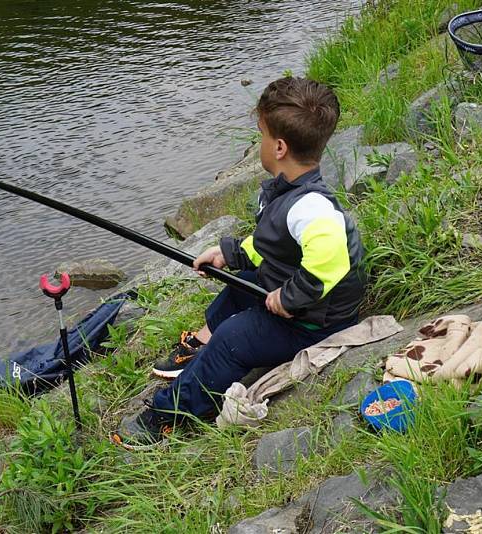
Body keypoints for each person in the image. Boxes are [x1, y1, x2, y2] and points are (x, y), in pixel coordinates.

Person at [111, 77, 366, 449]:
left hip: (315, 321)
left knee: (235, 339)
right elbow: (275, 243)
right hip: (299, 296)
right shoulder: (289, 190)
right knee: (238, 285)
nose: (257, 142)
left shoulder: (312, 207)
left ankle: (168, 417)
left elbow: (331, 262)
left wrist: (289, 299)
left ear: (279, 147)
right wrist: (231, 254)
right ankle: (199, 348)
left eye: (260, 134)